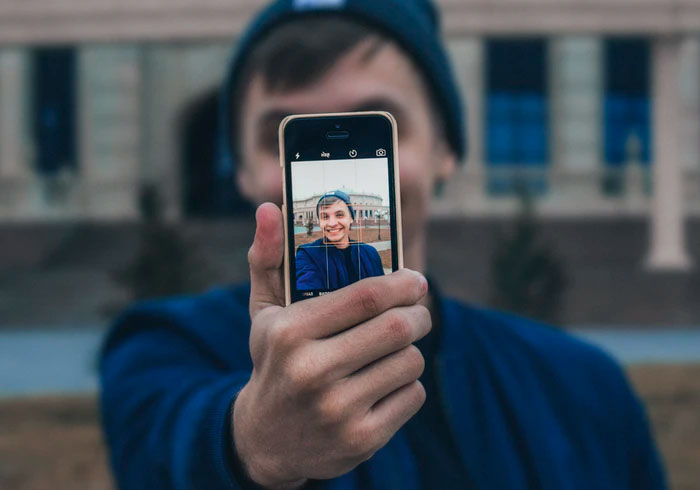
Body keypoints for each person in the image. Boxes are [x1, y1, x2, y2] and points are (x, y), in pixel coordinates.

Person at [100, 1, 667, 489]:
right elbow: (163, 441)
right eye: (286, 135)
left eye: (377, 123)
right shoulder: (159, 347)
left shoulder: (584, 386)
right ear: (243, 172)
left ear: (446, 150)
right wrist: (247, 441)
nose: (335, 176)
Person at [296, 190, 385, 291]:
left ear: (351, 218)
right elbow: (306, 290)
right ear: (319, 222)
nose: (332, 223)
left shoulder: (370, 253)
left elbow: (382, 292)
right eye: (325, 217)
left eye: (339, 215)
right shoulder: (307, 255)